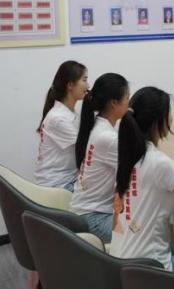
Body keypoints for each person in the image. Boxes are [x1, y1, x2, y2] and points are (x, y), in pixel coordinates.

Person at [110, 87, 174, 273]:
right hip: (151, 274)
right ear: (157, 121)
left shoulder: (127, 156)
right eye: (169, 112)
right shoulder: (160, 164)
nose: (172, 117)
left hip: (118, 266)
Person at [70, 73, 130, 243]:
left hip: (84, 212)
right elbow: (137, 170)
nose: (129, 103)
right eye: (127, 97)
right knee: (141, 232)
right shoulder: (108, 138)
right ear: (114, 103)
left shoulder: (97, 126)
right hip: (94, 219)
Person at [34, 61, 88, 191]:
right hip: (58, 185)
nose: (88, 85)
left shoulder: (69, 113)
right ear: (70, 85)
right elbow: (87, 151)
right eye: (84, 80)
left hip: (67, 179)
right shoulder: (58, 118)